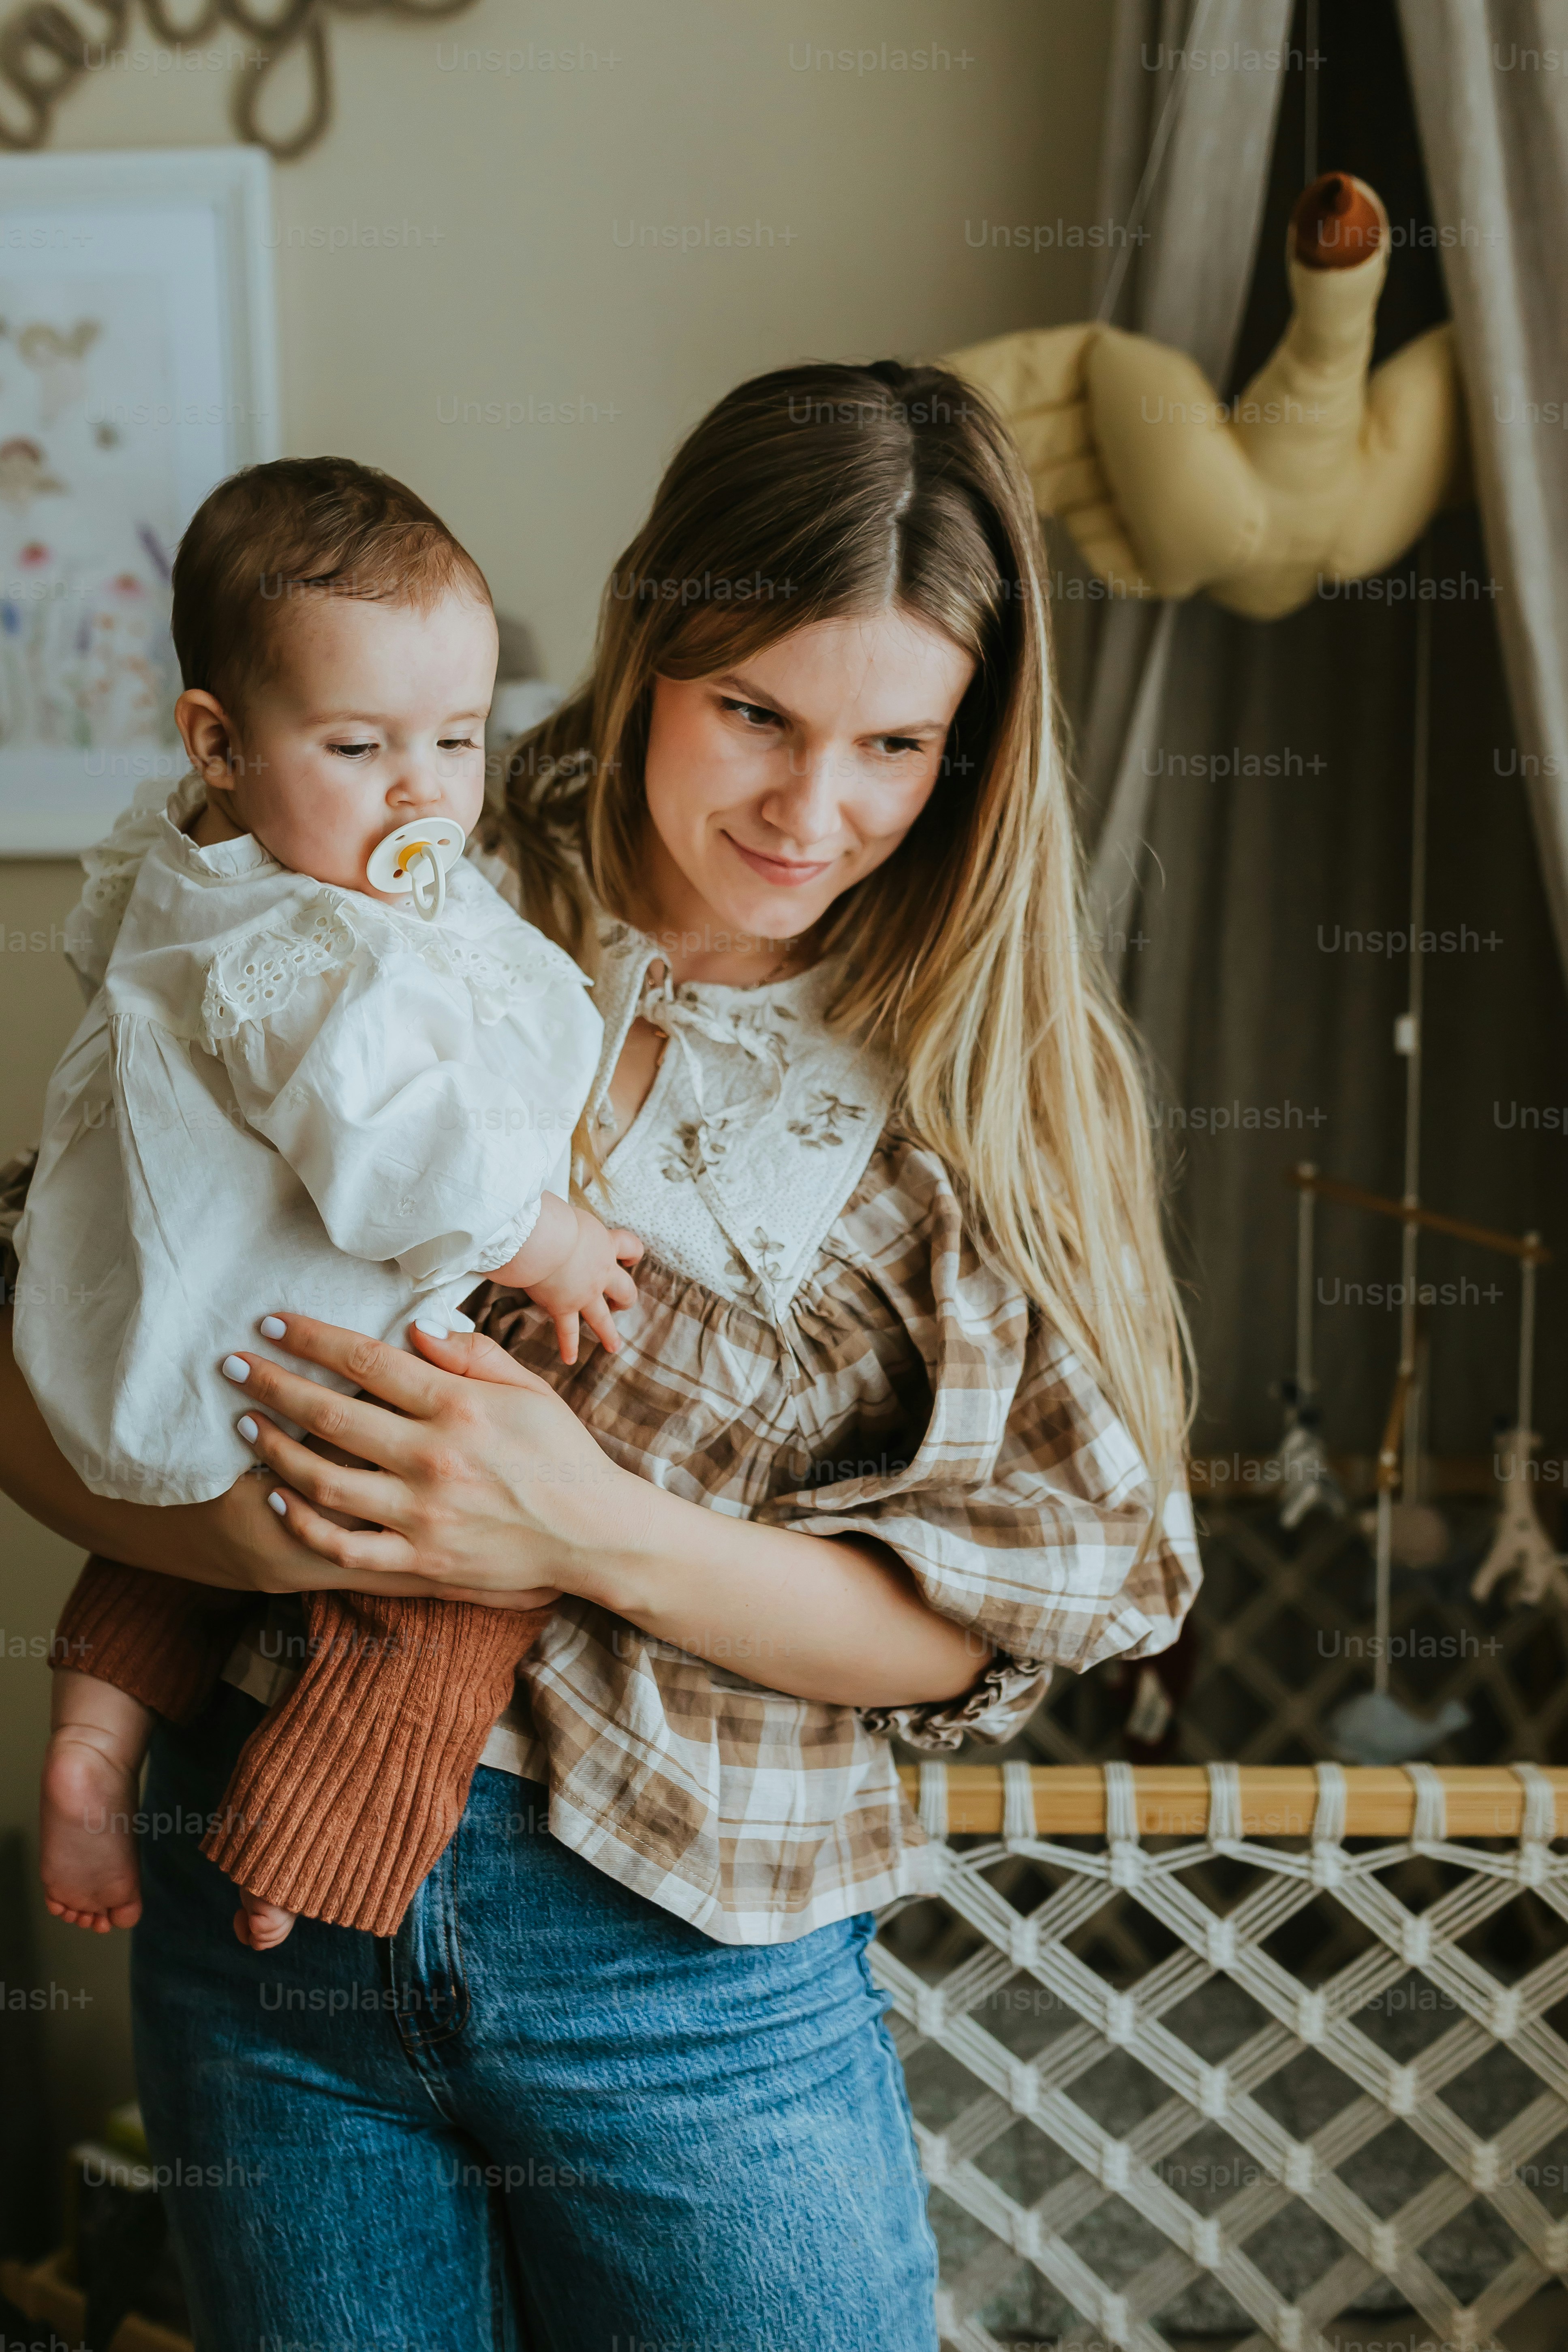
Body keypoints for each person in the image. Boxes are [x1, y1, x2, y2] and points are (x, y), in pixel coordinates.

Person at [0, 359, 1199, 2352]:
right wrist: (282, 1543)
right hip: (269, 1933)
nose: (812, 810)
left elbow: (989, 1617)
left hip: (691, 1968)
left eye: (896, 744)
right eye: (753, 714)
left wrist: (578, 1527)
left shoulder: (978, 1073)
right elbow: (52, 1353)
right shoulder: (392, 865)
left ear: (972, 751)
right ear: (649, 643)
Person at [15, 457, 639, 1952]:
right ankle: (302, 1851)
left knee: (159, 1547)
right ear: (218, 742)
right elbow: (401, 1151)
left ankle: (95, 1741)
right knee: (448, 1594)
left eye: (458, 737)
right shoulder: (320, 948)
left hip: (178, 1349)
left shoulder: (193, 866)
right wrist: (540, 1232)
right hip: (307, 1378)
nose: (423, 788)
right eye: (361, 745)